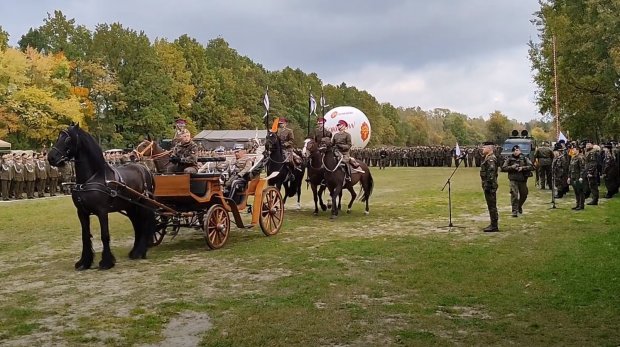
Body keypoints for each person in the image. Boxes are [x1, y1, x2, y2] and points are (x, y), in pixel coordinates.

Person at [502, 145, 534, 217]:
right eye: (514, 151)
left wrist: (522, 168)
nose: (515, 152)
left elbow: (531, 167)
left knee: (524, 194)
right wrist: (512, 167)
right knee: (514, 195)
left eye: (517, 150)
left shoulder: (525, 158)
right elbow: (503, 168)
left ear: (520, 151)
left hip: (522, 179)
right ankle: (514, 211)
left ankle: (519, 206)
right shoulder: (509, 159)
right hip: (513, 179)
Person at [480, 141, 499, 232]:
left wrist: (488, 185)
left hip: (490, 186)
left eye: (484, 147)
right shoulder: (487, 158)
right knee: (491, 205)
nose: (482, 149)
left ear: (489, 149)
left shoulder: (491, 159)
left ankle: (494, 226)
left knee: (492, 206)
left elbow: (491, 174)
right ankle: (493, 224)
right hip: (488, 185)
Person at [568, 143, 586, 210]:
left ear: (578, 150)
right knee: (576, 191)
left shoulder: (580, 158)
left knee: (580, 191)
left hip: (578, 177)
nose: (572, 151)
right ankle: (577, 204)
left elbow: (582, 168)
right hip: (573, 177)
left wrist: (581, 177)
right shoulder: (573, 158)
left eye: (574, 149)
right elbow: (570, 168)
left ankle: (581, 205)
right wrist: (569, 177)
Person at [584, 139, 600, 205]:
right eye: (587, 144)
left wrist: (590, 172)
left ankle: (595, 200)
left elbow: (593, 163)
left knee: (593, 186)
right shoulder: (588, 151)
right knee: (590, 185)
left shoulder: (592, 152)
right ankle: (593, 198)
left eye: (589, 144)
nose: (587, 145)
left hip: (592, 172)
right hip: (588, 170)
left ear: (592, 145)